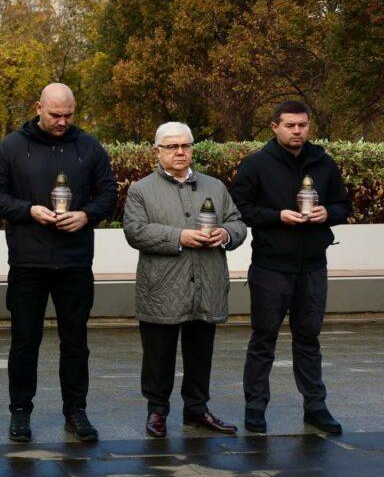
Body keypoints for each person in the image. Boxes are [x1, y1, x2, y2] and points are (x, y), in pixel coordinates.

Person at [0, 83, 117, 443]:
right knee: (25, 341)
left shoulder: (89, 146)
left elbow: (109, 195)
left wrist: (86, 215)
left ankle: (76, 411)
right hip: (29, 261)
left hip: (74, 262)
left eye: (69, 115)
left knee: (76, 342)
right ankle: (20, 412)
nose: (62, 121)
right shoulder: (11, 146)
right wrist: (28, 211)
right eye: (55, 114)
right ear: (38, 107)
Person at [230, 100, 352, 435]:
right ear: (274, 126)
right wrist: (277, 216)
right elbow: (240, 209)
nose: (297, 130)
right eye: (290, 125)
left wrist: (327, 213)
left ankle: (315, 407)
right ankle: (255, 408)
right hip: (271, 266)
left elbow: (344, 205)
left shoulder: (323, 163)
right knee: (263, 339)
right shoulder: (256, 165)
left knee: (308, 339)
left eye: (302, 125)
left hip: (313, 266)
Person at [123, 122, 246, 438]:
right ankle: (157, 412)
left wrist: (226, 234)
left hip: (207, 284)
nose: (180, 152)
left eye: (185, 146)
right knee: (158, 356)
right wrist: (180, 236)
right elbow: (136, 231)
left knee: (200, 353)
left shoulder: (215, 186)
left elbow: (237, 223)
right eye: (172, 146)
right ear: (157, 151)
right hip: (161, 287)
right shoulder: (141, 189)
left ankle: (196, 410)